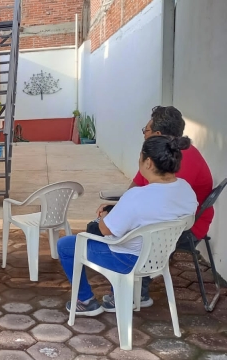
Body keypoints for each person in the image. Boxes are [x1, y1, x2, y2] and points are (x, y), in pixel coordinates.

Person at [58, 136, 198, 316]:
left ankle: (85, 301)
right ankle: (119, 297)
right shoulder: (186, 190)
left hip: (127, 261)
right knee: (125, 235)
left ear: (148, 162)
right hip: (158, 259)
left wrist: (105, 216)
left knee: (66, 245)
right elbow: (168, 217)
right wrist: (118, 210)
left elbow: (105, 230)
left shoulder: (136, 196)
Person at [95, 106, 214, 310]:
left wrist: (119, 216)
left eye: (146, 130)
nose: (144, 134)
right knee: (111, 224)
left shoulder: (180, 160)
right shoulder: (162, 154)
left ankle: (135, 291)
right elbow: (137, 185)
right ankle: (125, 282)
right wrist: (119, 207)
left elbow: (159, 212)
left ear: (158, 134)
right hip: (169, 219)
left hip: (183, 228)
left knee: (122, 232)